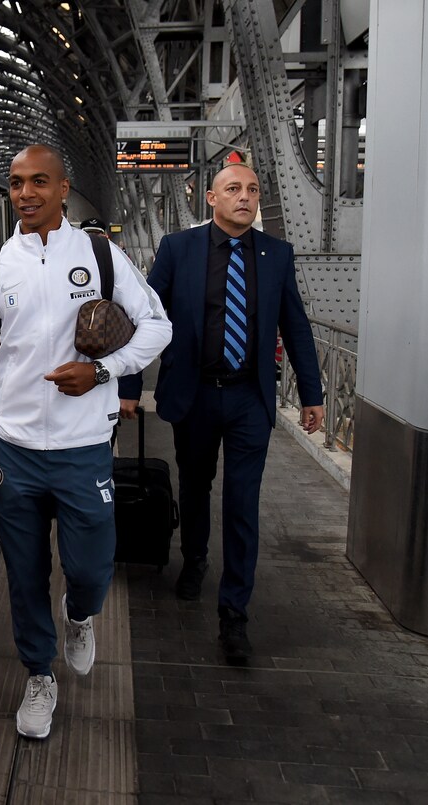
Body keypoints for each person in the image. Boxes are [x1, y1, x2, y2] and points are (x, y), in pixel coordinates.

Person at [0, 145, 171, 739]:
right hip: (14, 447)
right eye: (16, 183)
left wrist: (102, 372)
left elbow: (158, 325)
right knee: (24, 574)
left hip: (83, 447)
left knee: (91, 566)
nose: (25, 194)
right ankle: (38, 674)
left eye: (39, 182)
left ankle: (80, 615)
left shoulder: (100, 255)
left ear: (63, 188)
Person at [119, 163, 324, 661]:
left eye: (252, 190)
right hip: (196, 394)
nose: (245, 197)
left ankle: (234, 613)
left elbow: (295, 326)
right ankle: (194, 559)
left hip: (249, 396)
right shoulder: (178, 249)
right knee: (195, 485)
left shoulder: (276, 255)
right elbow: (144, 318)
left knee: (242, 501)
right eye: (233, 189)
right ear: (211, 199)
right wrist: (127, 386)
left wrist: (312, 394)